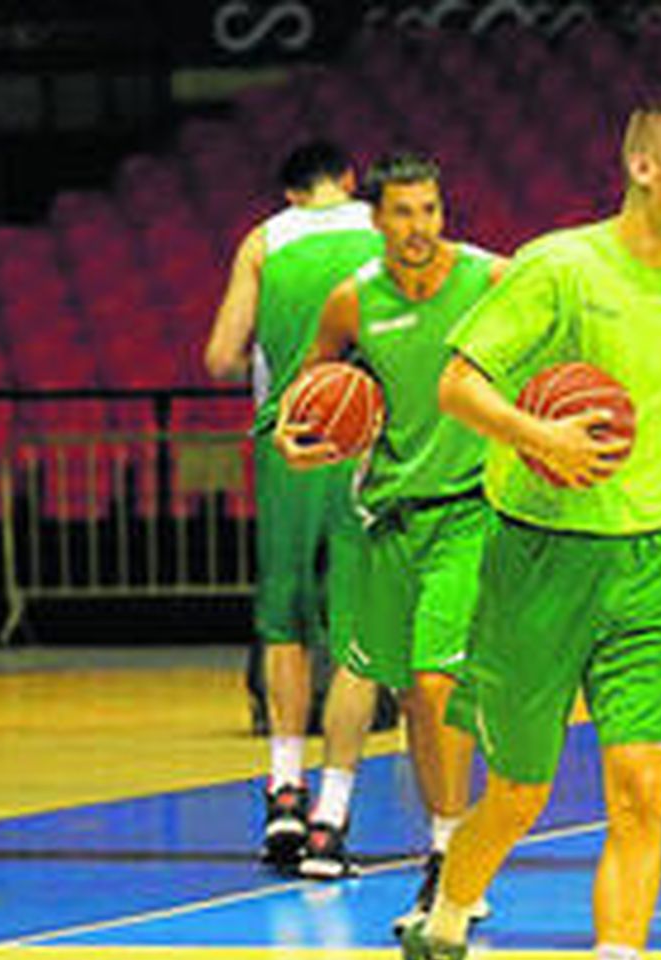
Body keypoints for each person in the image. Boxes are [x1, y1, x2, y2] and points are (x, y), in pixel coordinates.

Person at [401, 98, 661, 960]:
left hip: (656, 563)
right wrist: (535, 435)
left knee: (640, 786)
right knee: (517, 793)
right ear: (642, 167)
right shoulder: (559, 265)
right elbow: (457, 384)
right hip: (540, 558)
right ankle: (439, 934)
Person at [272, 153, 504, 912]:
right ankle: (439, 842)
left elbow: (563, 307)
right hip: (389, 516)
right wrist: (290, 434)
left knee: (438, 682)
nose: (419, 228)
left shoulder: (487, 277)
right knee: (407, 694)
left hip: (468, 511)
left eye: (431, 211)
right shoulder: (353, 301)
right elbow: (308, 386)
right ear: (377, 220)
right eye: (404, 213)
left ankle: (450, 857)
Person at [203, 140, 380, 872]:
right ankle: (330, 817)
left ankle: (283, 790)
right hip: (368, 449)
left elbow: (219, 356)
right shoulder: (386, 229)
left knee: (284, 620)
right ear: (348, 179)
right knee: (358, 633)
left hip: (286, 443)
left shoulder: (263, 239)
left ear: (290, 193)